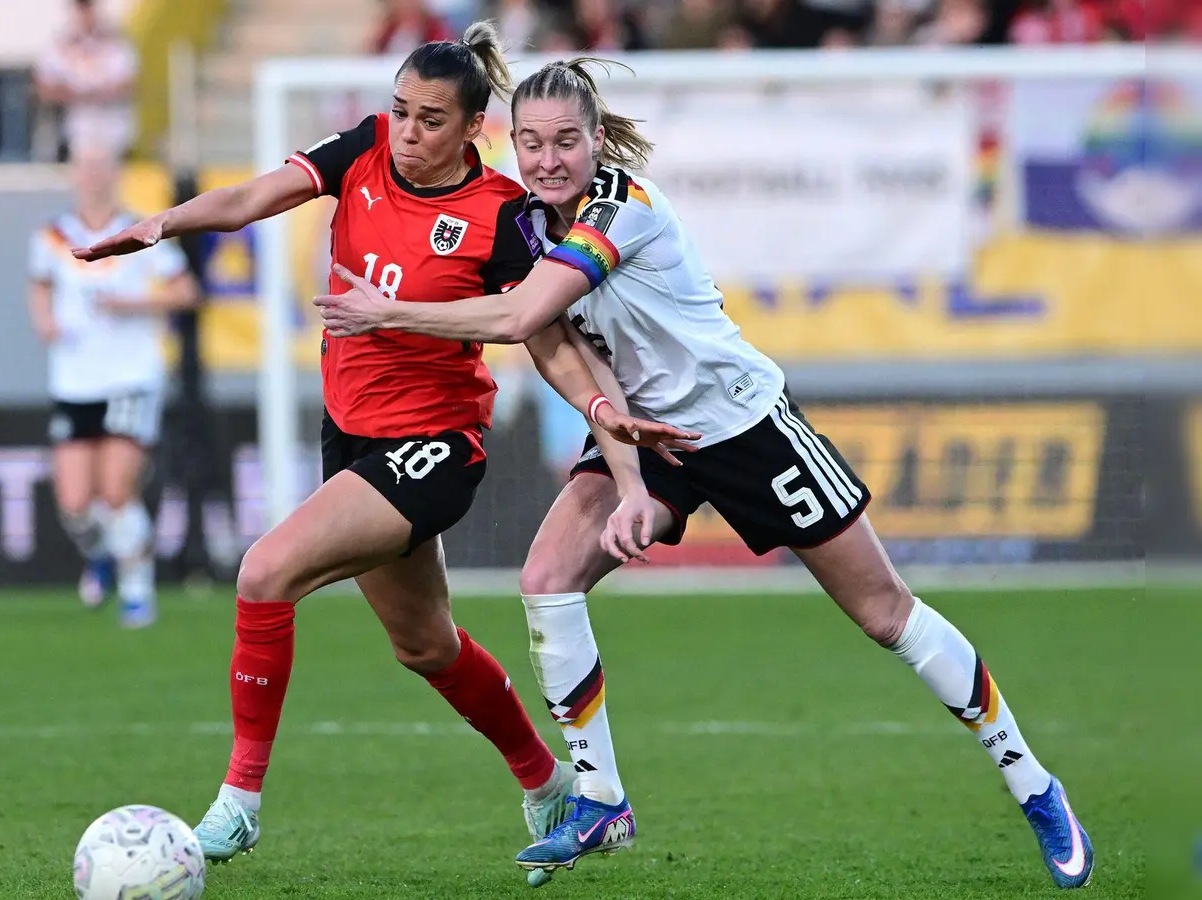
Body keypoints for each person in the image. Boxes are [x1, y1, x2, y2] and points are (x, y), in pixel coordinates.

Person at [314, 58, 1096, 889]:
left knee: (884, 614)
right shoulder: (524, 223)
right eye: (532, 143)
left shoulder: (625, 208)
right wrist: (631, 479)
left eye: (566, 142)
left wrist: (387, 310)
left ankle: (1035, 786)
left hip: (741, 424)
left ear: (596, 138)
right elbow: (569, 357)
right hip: (645, 432)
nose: (547, 160)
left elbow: (517, 317)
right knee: (547, 578)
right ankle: (601, 797)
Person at [71, 25, 691, 864]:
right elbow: (254, 197)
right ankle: (546, 785)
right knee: (424, 644)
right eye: (399, 110)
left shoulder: (503, 215)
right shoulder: (362, 151)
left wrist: (608, 431)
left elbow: (543, 336)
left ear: (474, 128)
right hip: (352, 435)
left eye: (430, 120)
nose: (407, 131)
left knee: (264, 572)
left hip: (436, 446)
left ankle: (238, 799)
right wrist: (162, 224)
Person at [28, 149, 199, 627]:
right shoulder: (52, 237)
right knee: (75, 504)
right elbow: (39, 286)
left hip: (130, 378)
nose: (93, 178)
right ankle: (101, 555)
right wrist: (43, 319)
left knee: (116, 490)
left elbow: (186, 292)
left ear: (115, 176)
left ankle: (137, 590)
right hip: (75, 380)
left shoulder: (140, 232)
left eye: (101, 168)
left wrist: (133, 303)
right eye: (85, 168)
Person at [33, 0, 138, 160]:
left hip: (113, 129)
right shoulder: (58, 46)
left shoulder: (117, 44)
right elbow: (44, 88)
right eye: (81, 7)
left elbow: (129, 84)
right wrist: (79, 95)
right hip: (74, 131)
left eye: (88, 7)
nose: (85, 14)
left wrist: (94, 94)